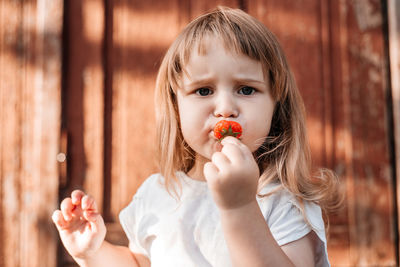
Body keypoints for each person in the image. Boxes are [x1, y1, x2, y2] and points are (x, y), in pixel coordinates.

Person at [52, 7, 342, 267]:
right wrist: (92, 252)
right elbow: (139, 262)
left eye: (246, 89)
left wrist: (240, 206)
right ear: (176, 107)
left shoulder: (283, 202)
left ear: (276, 104)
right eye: (204, 91)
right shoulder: (157, 194)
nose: (226, 108)